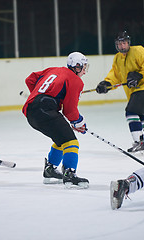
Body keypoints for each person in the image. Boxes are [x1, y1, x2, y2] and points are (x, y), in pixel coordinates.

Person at [22, 52, 90, 189]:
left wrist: (39, 94)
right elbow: (70, 111)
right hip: (44, 110)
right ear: (76, 67)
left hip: (31, 111)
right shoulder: (76, 81)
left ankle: (50, 170)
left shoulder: (52, 70)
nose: (84, 71)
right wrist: (79, 122)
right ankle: (70, 174)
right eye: (83, 67)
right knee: (71, 141)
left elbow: (30, 79)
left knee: (61, 139)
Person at [96, 31, 144, 154]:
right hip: (136, 92)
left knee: (131, 112)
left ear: (129, 43)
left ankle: (139, 143)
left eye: (124, 43)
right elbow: (115, 76)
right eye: (120, 44)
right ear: (116, 45)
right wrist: (106, 84)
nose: (122, 46)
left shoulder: (138, 51)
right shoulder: (117, 58)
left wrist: (139, 75)